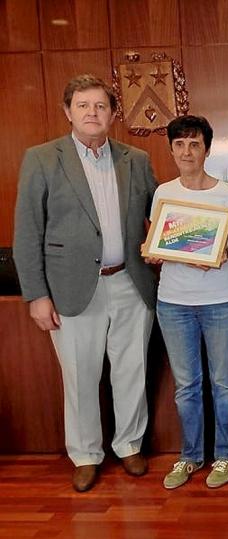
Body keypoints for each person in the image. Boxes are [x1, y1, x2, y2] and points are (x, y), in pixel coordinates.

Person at [13, 74, 157, 492]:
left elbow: (160, 215)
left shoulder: (137, 158)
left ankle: (129, 445)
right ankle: (85, 454)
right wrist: (37, 295)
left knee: (132, 370)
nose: (92, 113)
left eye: (99, 106)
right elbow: (27, 232)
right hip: (72, 289)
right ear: (67, 112)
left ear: (113, 114)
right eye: (83, 105)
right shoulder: (42, 159)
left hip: (131, 283)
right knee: (80, 375)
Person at [144, 115, 228, 490]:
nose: (187, 151)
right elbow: (158, 241)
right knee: (186, 386)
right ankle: (190, 456)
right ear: (171, 150)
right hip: (173, 302)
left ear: (206, 149)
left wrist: (226, 251)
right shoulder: (163, 193)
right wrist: (153, 252)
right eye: (180, 145)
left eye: (195, 144)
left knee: (224, 384)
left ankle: (225, 455)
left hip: (221, 300)